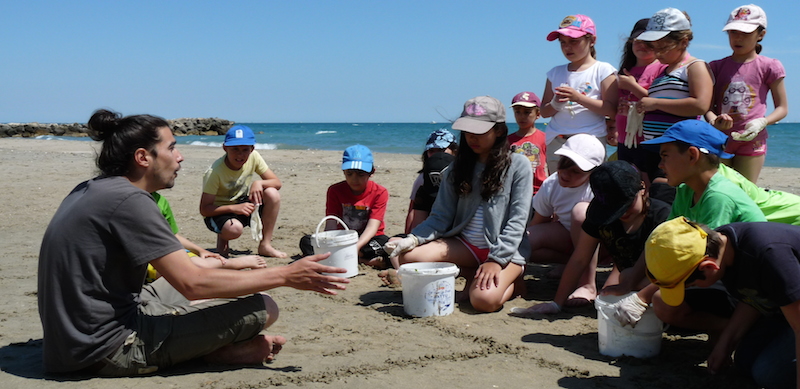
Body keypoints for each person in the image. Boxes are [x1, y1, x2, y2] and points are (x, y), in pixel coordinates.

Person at [37, 109, 348, 376]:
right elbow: (193, 286)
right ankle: (217, 352)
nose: (180, 156)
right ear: (143, 157)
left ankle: (207, 343)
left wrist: (218, 264)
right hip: (106, 349)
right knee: (264, 306)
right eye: (172, 147)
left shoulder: (94, 188)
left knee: (218, 272)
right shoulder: (131, 201)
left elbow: (187, 274)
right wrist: (286, 276)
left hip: (71, 341)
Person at [610, 119, 765, 333]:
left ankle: (742, 331)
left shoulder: (719, 197)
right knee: (631, 277)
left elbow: (698, 259)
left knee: (661, 301)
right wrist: (629, 285)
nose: (659, 165)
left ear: (692, 155)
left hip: (745, 287)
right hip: (716, 275)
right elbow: (661, 240)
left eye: (665, 156)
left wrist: (640, 298)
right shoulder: (686, 191)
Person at [382, 96, 532, 313]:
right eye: (467, 131)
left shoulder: (518, 165)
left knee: (483, 301)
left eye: (480, 131)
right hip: (466, 246)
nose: (472, 137)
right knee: (408, 257)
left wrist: (496, 260)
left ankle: (513, 281)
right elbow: (440, 217)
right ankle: (473, 274)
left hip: (505, 250)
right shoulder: (456, 168)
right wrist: (413, 238)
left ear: (499, 131)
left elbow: (518, 221)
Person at [645, 217, 800, 389]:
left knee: (768, 374)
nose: (692, 289)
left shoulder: (769, 255)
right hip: (786, 308)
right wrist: (724, 346)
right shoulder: (720, 244)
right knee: (745, 361)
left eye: (692, 285)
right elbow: (753, 297)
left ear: (709, 267)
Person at [512, 160, 670, 316]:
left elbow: (670, 268)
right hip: (626, 274)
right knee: (609, 296)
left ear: (642, 188)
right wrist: (556, 303)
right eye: (614, 209)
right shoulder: (599, 214)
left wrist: (628, 284)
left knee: (626, 280)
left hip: (660, 278)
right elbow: (580, 258)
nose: (622, 213)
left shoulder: (663, 216)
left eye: (626, 205)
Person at [634, 8, 714, 203]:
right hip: (655, 147)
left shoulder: (694, 67)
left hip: (679, 148)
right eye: (654, 46)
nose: (657, 52)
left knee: (665, 198)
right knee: (652, 199)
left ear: (683, 42)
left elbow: (700, 105)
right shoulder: (664, 70)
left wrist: (654, 103)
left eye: (663, 47)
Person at [706, 4, 788, 183]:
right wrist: (714, 120)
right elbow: (707, 107)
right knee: (719, 190)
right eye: (733, 32)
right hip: (720, 138)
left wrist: (762, 122)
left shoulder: (769, 66)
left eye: (746, 33)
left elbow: (782, 107)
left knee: (746, 193)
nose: (738, 37)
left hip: (752, 139)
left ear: (761, 34)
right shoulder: (715, 67)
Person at [540, 14, 618, 174]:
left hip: (590, 140)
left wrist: (578, 98)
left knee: (591, 191)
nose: (567, 47)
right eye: (563, 42)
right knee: (559, 189)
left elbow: (611, 110)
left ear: (592, 41)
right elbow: (543, 112)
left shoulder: (603, 70)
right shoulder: (555, 73)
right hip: (557, 140)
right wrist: (555, 104)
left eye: (574, 41)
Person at [527, 134, 605, 282]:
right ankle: (571, 265)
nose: (565, 174)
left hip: (598, 245)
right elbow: (539, 221)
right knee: (526, 242)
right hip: (567, 237)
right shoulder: (552, 183)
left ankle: (585, 278)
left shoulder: (597, 189)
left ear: (592, 173)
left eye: (576, 171)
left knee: (581, 213)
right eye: (563, 164)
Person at [199, 125, 287, 258]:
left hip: (242, 203)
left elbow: (277, 183)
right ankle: (223, 237)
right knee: (234, 230)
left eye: (245, 149)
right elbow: (204, 209)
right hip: (218, 212)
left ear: (252, 149)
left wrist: (259, 183)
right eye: (235, 149)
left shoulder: (254, 157)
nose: (240, 154)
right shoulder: (214, 172)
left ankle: (265, 245)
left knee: (272, 193)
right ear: (225, 148)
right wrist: (234, 208)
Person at [299, 144, 390, 268]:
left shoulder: (380, 192)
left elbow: (372, 228)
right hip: (342, 238)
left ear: (371, 172)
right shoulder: (335, 190)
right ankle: (362, 261)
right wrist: (330, 243)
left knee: (387, 244)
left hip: (367, 240)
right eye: (349, 173)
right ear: (344, 171)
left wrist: (355, 247)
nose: (354, 179)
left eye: (360, 174)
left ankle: (344, 257)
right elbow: (331, 223)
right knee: (307, 241)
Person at [146, 191, 266, 283]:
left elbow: (173, 235)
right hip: (145, 260)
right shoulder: (131, 200)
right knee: (190, 271)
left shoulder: (160, 201)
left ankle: (232, 268)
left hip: (167, 251)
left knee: (199, 265)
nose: (180, 159)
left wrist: (200, 250)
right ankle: (236, 264)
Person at [615, 18, 667, 185]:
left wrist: (633, 86)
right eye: (638, 41)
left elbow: (659, 101)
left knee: (651, 186)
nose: (643, 45)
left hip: (649, 140)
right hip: (624, 140)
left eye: (649, 42)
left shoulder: (661, 68)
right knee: (629, 188)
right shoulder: (626, 69)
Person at [405, 128, 457, 233]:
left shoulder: (463, 176)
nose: (436, 155)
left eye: (441, 150)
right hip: (429, 223)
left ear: (454, 151)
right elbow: (413, 210)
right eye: (431, 151)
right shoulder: (423, 178)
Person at [508, 91, 547, 194]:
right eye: (517, 112)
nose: (522, 116)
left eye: (527, 112)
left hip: (538, 191)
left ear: (537, 114)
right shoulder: (507, 141)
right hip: (514, 191)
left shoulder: (545, 138)